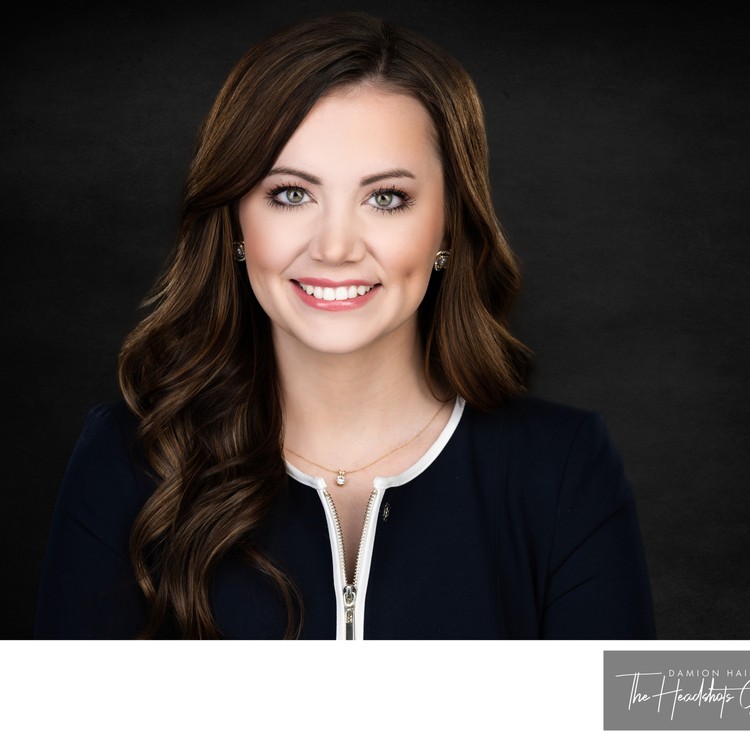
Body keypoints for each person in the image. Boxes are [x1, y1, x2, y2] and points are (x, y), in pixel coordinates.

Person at [34, 11, 655, 639]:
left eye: (386, 198)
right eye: (291, 194)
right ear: (235, 224)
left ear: (448, 224)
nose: (335, 248)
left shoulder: (564, 465)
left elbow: (643, 719)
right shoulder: (127, 459)